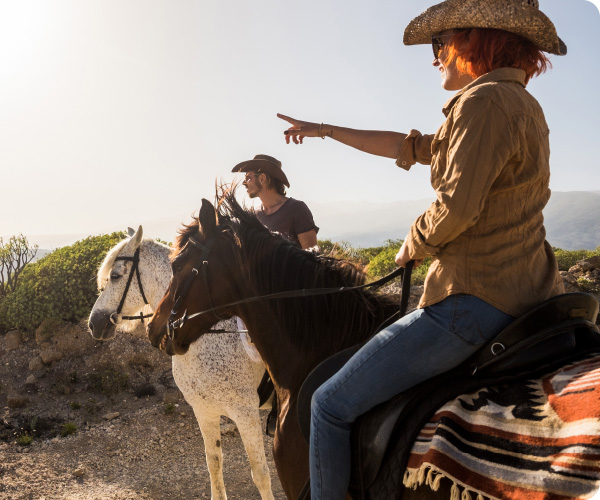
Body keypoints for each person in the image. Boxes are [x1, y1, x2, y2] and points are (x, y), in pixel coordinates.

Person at [278, 0, 566, 498]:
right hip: (532, 294)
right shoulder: (518, 105)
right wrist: (324, 130)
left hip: (473, 301)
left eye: (440, 43)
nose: (435, 56)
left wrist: (413, 243)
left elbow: (456, 207)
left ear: (474, 39)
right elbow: (405, 147)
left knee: (329, 404)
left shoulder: (483, 103)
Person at [232, 154, 319, 250]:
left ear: (262, 178)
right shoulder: (254, 215)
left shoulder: (297, 209)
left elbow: (311, 255)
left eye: (248, 177)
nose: (244, 183)